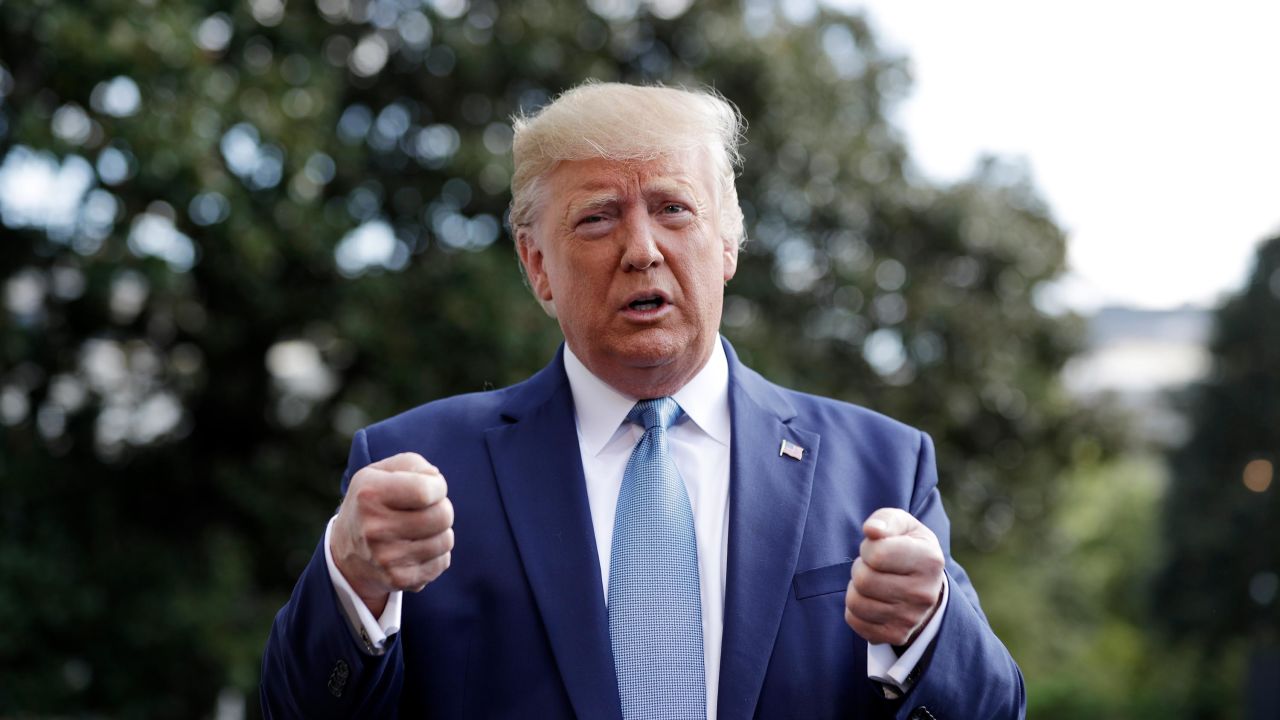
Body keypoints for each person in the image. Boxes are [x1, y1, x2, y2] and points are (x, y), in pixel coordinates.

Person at [261, 82, 1025, 719]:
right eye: (597, 217)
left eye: (674, 208)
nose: (642, 249)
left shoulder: (882, 466)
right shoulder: (419, 474)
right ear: (538, 267)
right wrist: (352, 581)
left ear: (728, 242)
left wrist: (927, 630)